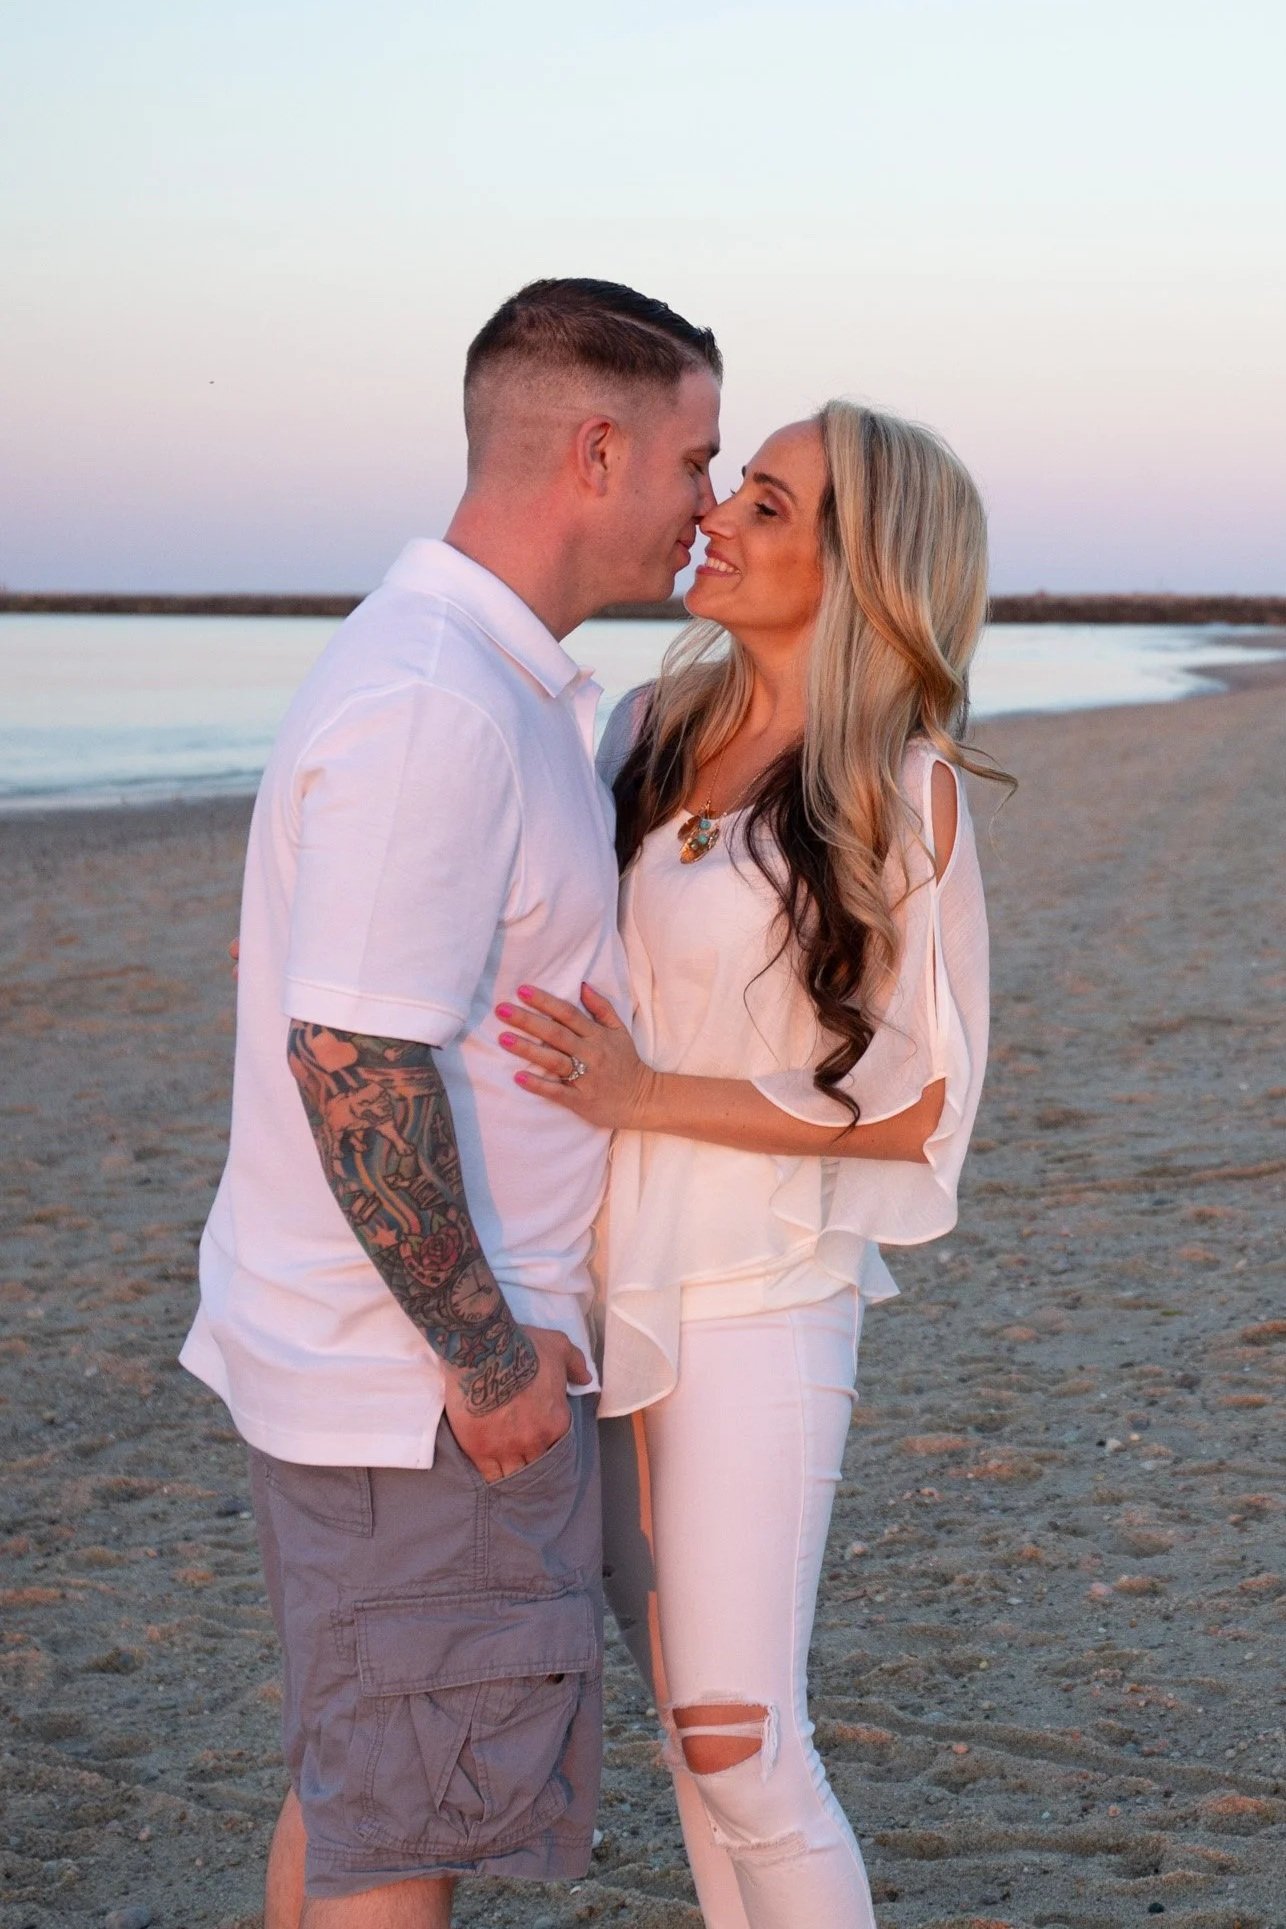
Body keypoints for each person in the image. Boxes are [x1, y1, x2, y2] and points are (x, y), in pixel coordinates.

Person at [181, 277, 722, 1928]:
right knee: (400, 1826)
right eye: (696, 460)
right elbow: (350, 1057)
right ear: (598, 449)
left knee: (365, 1790)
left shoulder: (492, 682)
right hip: (413, 1391)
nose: (706, 502)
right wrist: (484, 1355)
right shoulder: (434, 700)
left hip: (393, 1370)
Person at [493, 399, 1009, 1927]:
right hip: (589, 1276)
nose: (716, 512)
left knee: (738, 1733)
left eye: (769, 505)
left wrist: (653, 1092)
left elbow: (916, 1103)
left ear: (862, 567)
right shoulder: (645, 731)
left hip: (756, 1283)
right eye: (736, 489)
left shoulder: (899, 786)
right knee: (685, 1740)